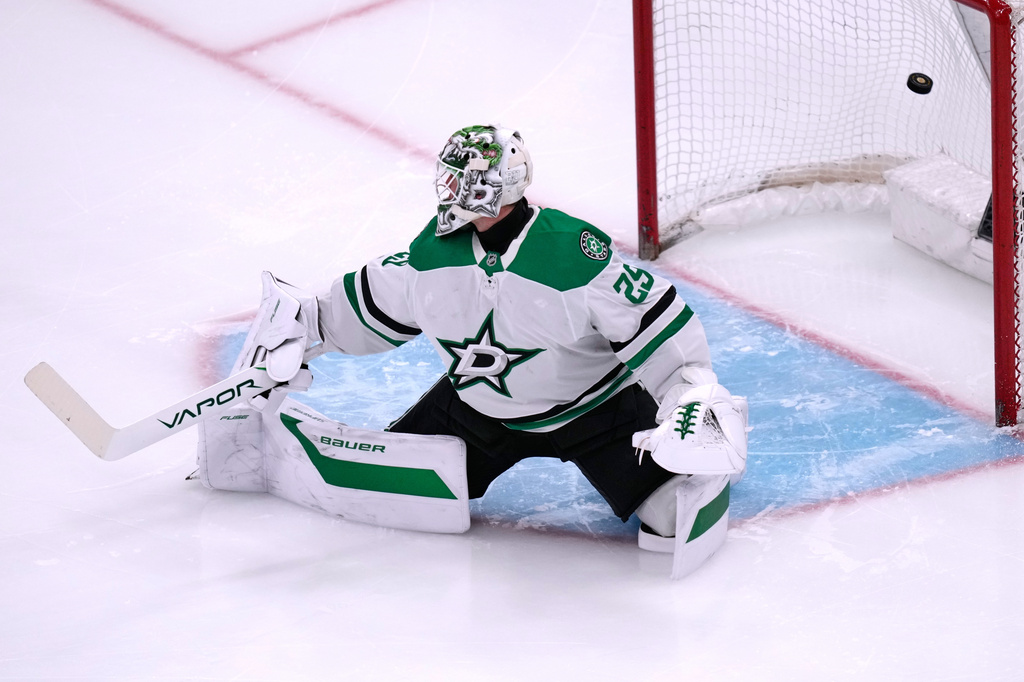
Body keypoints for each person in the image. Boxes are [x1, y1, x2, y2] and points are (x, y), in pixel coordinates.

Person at [199, 125, 748, 576]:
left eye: (465, 182)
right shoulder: (434, 254)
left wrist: (689, 396)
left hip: (596, 414)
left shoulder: (574, 258)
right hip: (475, 411)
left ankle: (707, 453)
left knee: (671, 518)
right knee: (391, 491)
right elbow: (378, 298)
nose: (450, 190)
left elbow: (659, 328)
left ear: (498, 190)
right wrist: (306, 327)